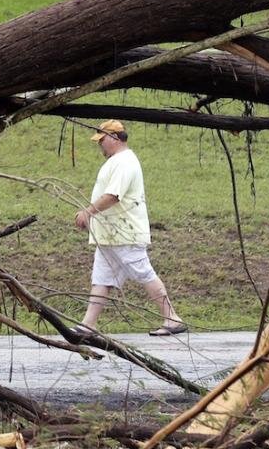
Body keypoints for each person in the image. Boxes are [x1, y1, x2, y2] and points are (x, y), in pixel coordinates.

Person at [72, 120, 186, 336]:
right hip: (110, 235)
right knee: (101, 278)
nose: (100, 145)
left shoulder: (124, 162)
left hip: (125, 233)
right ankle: (88, 325)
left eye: (102, 140)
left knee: (143, 273)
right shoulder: (118, 161)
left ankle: (172, 318)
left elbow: (113, 196)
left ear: (115, 138)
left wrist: (87, 212)